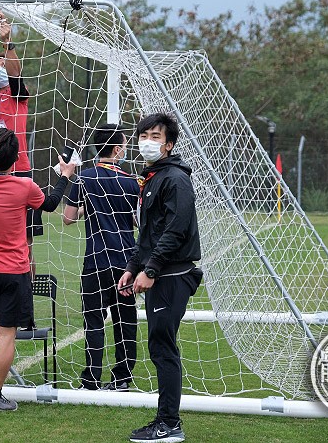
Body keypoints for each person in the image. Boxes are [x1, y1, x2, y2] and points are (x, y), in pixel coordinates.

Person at [0, 128, 76, 411]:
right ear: (16, 159)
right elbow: (49, 203)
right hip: (14, 271)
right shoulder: (24, 186)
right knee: (6, 333)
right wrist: (65, 175)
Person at [117, 113, 203, 443]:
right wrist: (132, 267)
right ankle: (166, 421)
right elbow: (148, 235)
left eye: (156, 136)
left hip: (172, 275)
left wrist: (151, 271)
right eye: (144, 135)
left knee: (163, 348)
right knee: (159, 346)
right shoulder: (152, 177)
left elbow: (175, 230)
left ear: (168, 144)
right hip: (158, 272)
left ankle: (169, 424)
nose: (148, 141)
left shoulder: (175, 179)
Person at [63, 124, 139, 392]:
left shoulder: (84, 178)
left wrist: (88, 208)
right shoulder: (133, 182)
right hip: (127, 263)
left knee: (93, 320)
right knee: (125, 320)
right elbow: (137, 221)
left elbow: (68, 218)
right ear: (117, 149)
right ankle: (122, 379)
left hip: (96, 261)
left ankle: (92, 378)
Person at [0, 10, 43, 277]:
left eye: (2, 66)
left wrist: (7, 43)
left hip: (19, 172)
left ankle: (24, 296)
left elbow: (16, 70)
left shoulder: (17, 94)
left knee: (24, 241)